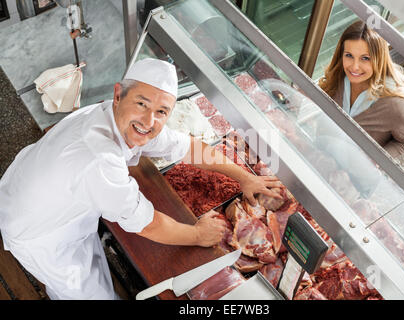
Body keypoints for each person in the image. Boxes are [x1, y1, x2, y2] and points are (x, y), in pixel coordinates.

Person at [0, 58, 282, 300]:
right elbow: (147, 224)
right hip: (41, 232)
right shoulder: (100, 159)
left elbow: (186, 147)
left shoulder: (113, 116)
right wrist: (197, 235)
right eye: (142, 103)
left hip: (37, 190)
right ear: (118, 94)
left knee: (94, 261)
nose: (149, 121)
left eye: (162, 112)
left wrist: (244, 177)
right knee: (85, 291)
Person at [318, 20, 404, 158]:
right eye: (349, 55)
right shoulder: (337, 76)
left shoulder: (399, 107)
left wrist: (374, 163)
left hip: (354, 173)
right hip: (321, 155)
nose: (354, 67)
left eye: (365, 58)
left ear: (379, 59)